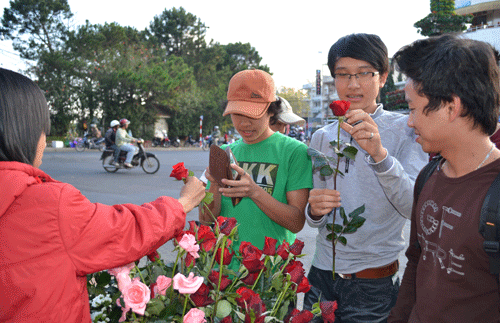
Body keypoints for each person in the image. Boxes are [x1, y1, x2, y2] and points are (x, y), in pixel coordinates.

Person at [0, 68, 206, 322]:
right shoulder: (49, 205)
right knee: (129, 150)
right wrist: (182, 203)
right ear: (25, 132)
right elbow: (124, 229)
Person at [303, 33, 428, 323]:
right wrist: (314, 209)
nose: (353, 84)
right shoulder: (321, 137)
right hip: (321, 276)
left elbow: (414, 207)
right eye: (343, 75)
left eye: (364, 74)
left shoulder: (407, 130)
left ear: (383, 77)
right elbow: (314, 216)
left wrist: (380, 154)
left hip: (373, 285)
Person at [388, 35, 500, 323]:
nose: (409, 121)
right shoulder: (428, 176)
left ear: (451, 107)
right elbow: (416, 262)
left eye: (413, 108)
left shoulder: (494, 194)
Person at [199, 69, 313, 253]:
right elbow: (206, 219)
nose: (244, 124)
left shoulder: (295, 152)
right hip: (224, 269)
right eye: (237, 115)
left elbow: (296, 222)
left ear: (271, 111)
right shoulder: (225, 152)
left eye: (252, 115)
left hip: (270, 271)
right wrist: (213, 186)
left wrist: (254, 191)